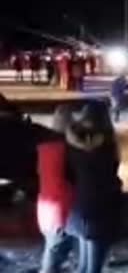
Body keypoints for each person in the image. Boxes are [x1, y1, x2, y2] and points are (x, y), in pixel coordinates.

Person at [65, 101, 122, 273]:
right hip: (99, 211)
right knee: (93, 268)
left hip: (76, 209)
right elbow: (111, 176)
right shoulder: (107, 147)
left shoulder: (71, 145)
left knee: (82, 267)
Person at [38, 105, 75, 273]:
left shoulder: (44, 148)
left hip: (45, 206)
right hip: (62, 208)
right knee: (54, 252)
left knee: (53, 247)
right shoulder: (69, 150)